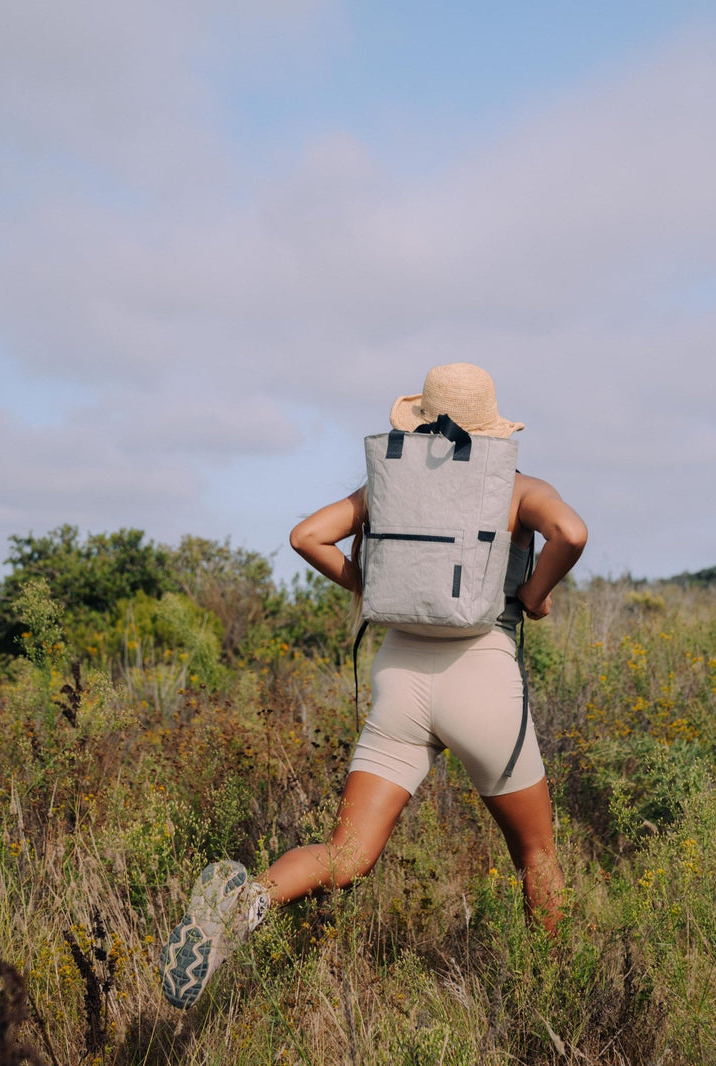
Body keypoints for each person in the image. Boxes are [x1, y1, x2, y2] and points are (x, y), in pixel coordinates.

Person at [160, 363, 587, 1010]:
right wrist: (533, 593)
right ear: (494, 426)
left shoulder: (387, 485)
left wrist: (367, 587)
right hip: (481, 678)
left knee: (346, 855)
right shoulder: (519, 488)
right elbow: (571, 534)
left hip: (399, 680)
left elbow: (306, 536)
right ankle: (550, 1002)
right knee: (536, 856)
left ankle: (243, 904)